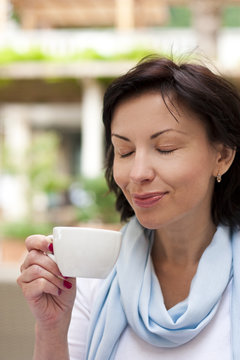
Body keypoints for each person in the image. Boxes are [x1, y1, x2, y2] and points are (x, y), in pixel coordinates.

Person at [17, 56, 240, 360]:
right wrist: (51, 328)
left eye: (165, 149)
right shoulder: (92, 278)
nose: (137, 173)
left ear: (223, 156)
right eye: (125, 151)